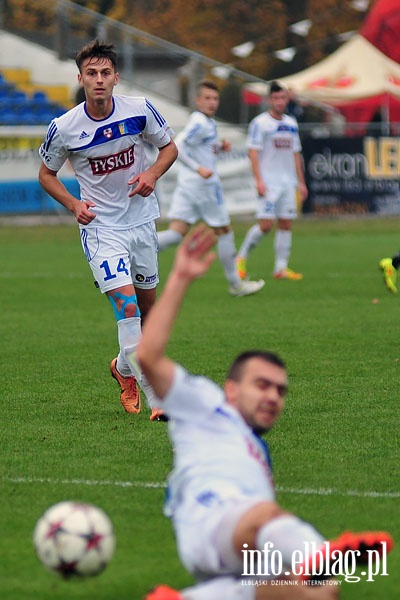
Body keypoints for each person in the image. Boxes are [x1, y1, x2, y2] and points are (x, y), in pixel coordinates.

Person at [135, 226, 393, 600]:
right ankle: (319, 552)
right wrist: (180, 277)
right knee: (268, 521)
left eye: (280, 390)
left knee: (319, 592)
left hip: (234, 546)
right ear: (232, 389)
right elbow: (148, 357)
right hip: (215, 519)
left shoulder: (258, 454)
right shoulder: (206, 404)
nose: (273, 396)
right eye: (262, 385)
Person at [38, 39, 178, 420]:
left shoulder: (138, 111)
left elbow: (168, 148)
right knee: (127, 306)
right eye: (91, 73)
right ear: (80, 78)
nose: (98, 80)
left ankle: (123, 367)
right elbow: (46, 175)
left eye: (104, 73)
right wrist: (74, 205)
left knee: (146, 312)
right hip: (102, 229)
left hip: (142, 222)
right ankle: (156, 399)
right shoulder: (64, 128)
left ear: (116, 77)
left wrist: (151, 173)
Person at [157, 79, 265, 297]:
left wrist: (217, 148)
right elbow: (177, 145)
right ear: (197, 101)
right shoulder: (199, 122)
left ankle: (134, 248)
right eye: (207, 98)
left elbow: (198, 149)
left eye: (215, 98)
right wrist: (199, 169)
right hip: (202, 186)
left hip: (187, 185)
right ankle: (236, 285)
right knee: (224, 231)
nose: (212, 102)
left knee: (177, 233)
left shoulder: (206, 122)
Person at [236, 81, 308, 282]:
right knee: (266, 225)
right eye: (276, 98)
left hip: (288, 183)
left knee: (285, 223)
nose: (279, 102)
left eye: (283, 97)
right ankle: (240, 258)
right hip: (269, 183)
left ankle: (281, 268)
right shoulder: (260, 123)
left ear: (287, 99)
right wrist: (259, 180)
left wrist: (301, 182)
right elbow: (253, 152)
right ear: (269, 100)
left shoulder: (292, 123)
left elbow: (296, 154)